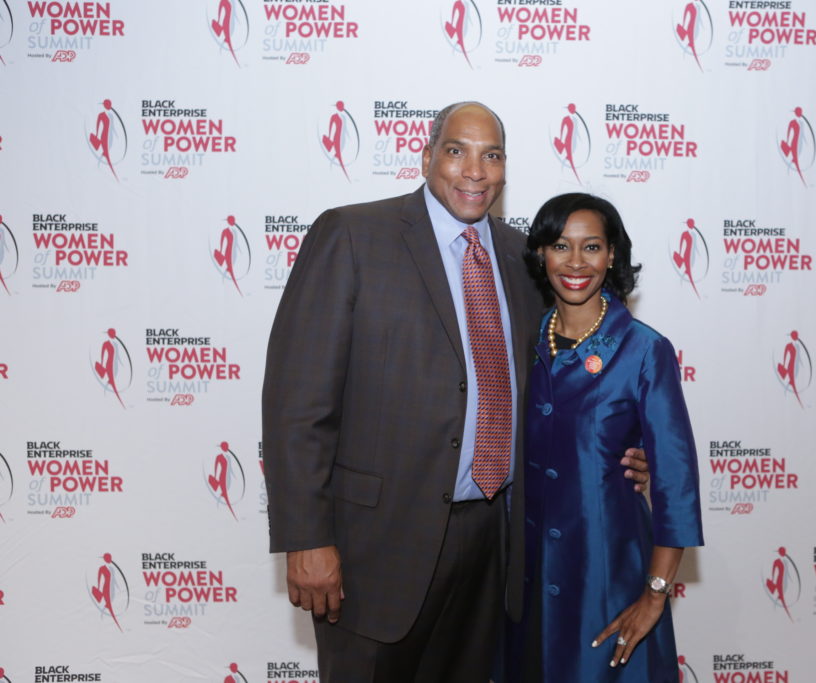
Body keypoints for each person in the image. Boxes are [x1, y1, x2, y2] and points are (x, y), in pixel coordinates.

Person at [262, 102, 649, 682]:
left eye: (491, 155)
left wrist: (625, 452)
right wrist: (306, 537)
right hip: (377, 547)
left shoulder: (524, 258)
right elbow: (297, 403)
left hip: (495, 542)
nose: (475, 170)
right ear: (426, 158)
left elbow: (565, 379)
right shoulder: (353, 235)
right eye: (456, 151)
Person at [506, 193, 704, 683]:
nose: (576, 262)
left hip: (609, 580)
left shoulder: (645, 350)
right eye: (560, 246)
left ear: (612, 254)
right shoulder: (521, 340)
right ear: (540, 254)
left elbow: (676, 484)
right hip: (525, 584)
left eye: (591, 246)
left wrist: (654, 596)